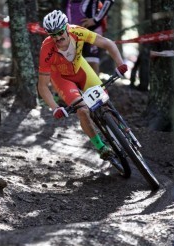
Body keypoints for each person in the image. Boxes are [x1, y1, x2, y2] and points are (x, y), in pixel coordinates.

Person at [38, 10, 128, 161]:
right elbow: (42, 86)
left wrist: (120, 64)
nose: (58, 37)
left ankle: (122, 128)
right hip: (62, 78)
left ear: (66, 27)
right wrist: (55, 108)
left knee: (104, 100)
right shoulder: (46, 49)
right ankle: (100, 147)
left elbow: (107, 43)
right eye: (53, 35)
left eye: (60, 32)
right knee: (82, 110)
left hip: (81, 69)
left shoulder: (77, 32)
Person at [64, 0, 114, 74]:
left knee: (92, 65)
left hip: (90, 31)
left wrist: (96, 19)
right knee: (72, 68)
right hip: (71, 33)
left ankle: (97, 85)